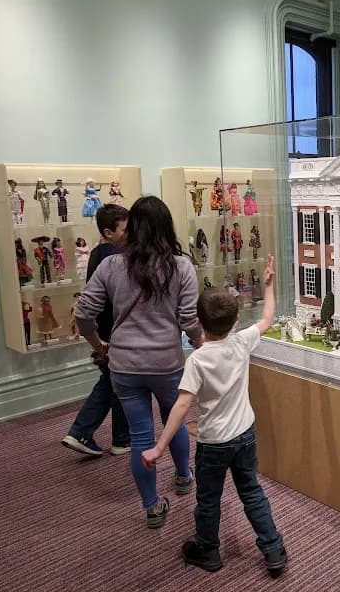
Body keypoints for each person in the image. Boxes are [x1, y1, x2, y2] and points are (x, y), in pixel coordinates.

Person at [142, 254, 287, 577]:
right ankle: (273, 548)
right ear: (235, 320)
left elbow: (182, 406)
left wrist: (160, 446)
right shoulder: (242, 342)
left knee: (209, 499)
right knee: (251, 491)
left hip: (214, 443)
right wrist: (269, 284)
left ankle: (207, 550)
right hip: (245, 434)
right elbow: (267, 317)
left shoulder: (197, 360)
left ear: (197, 320)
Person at [75, 196, 201, 528]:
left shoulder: (110, 265)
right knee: (174, 421)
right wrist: (201, 345)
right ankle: (184, 476)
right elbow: (189, 320)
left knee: (141, 436)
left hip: (124, 365)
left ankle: (152, 506)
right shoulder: (181, 266)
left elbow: (83, 313)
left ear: (132, 227)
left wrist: (98, 345)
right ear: (166, 227)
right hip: (167, 363)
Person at [62, 205, 131, 457]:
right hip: (113, 330)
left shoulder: (98, 254)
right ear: (108, 232)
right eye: (125, 229)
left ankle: (83, 432)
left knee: (111, 382)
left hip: (105, 329)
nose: (131, 233)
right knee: (119, 383)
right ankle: (117, 438)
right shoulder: (111, 256)